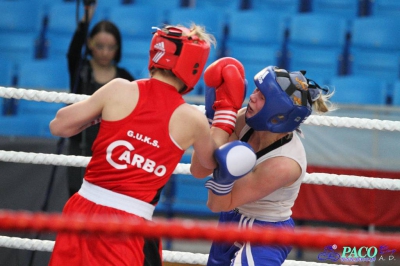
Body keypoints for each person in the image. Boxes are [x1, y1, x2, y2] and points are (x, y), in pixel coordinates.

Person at [48, 23, 255, 265]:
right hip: (127, 225)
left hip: (80, 209)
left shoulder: (118, 89)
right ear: (194, 64)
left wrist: (100, 114)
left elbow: (58, 126)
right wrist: (225, 116)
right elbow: (205, 166)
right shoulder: (191, 119)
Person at [191, 65, 335, 265]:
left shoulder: (284, 164)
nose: (252, 97)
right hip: (230, 218)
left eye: (262, 96)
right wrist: (215, 119)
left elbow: (216, 203)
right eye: (257, 89)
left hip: (267, 231)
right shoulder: (245, 121)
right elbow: (199, 169)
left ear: (277, 113)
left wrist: (223, 177)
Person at [67, 3, 135, 197]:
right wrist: (87, 16)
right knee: (75, 200)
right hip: (79, 147)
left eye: (111, 47)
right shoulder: (80, 68)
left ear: (118, 48)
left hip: (112, 153)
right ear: (89, 44)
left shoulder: (126, 78)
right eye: (99, 46)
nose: (105, 52)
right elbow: (73, 52)